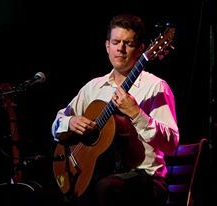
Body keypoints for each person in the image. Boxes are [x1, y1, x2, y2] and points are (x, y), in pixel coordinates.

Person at [51, 14, 180, 206]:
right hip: (100, 173)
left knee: (106, 188)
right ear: (107, 46)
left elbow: (171, 144)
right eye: (116, 42)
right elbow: (56, 125)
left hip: (146, 179)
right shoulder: (94, 87)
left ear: (141, 49)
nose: (120, 48)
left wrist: (136, 114)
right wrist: (70, 122)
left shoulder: (156, 87)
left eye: (128, 43)